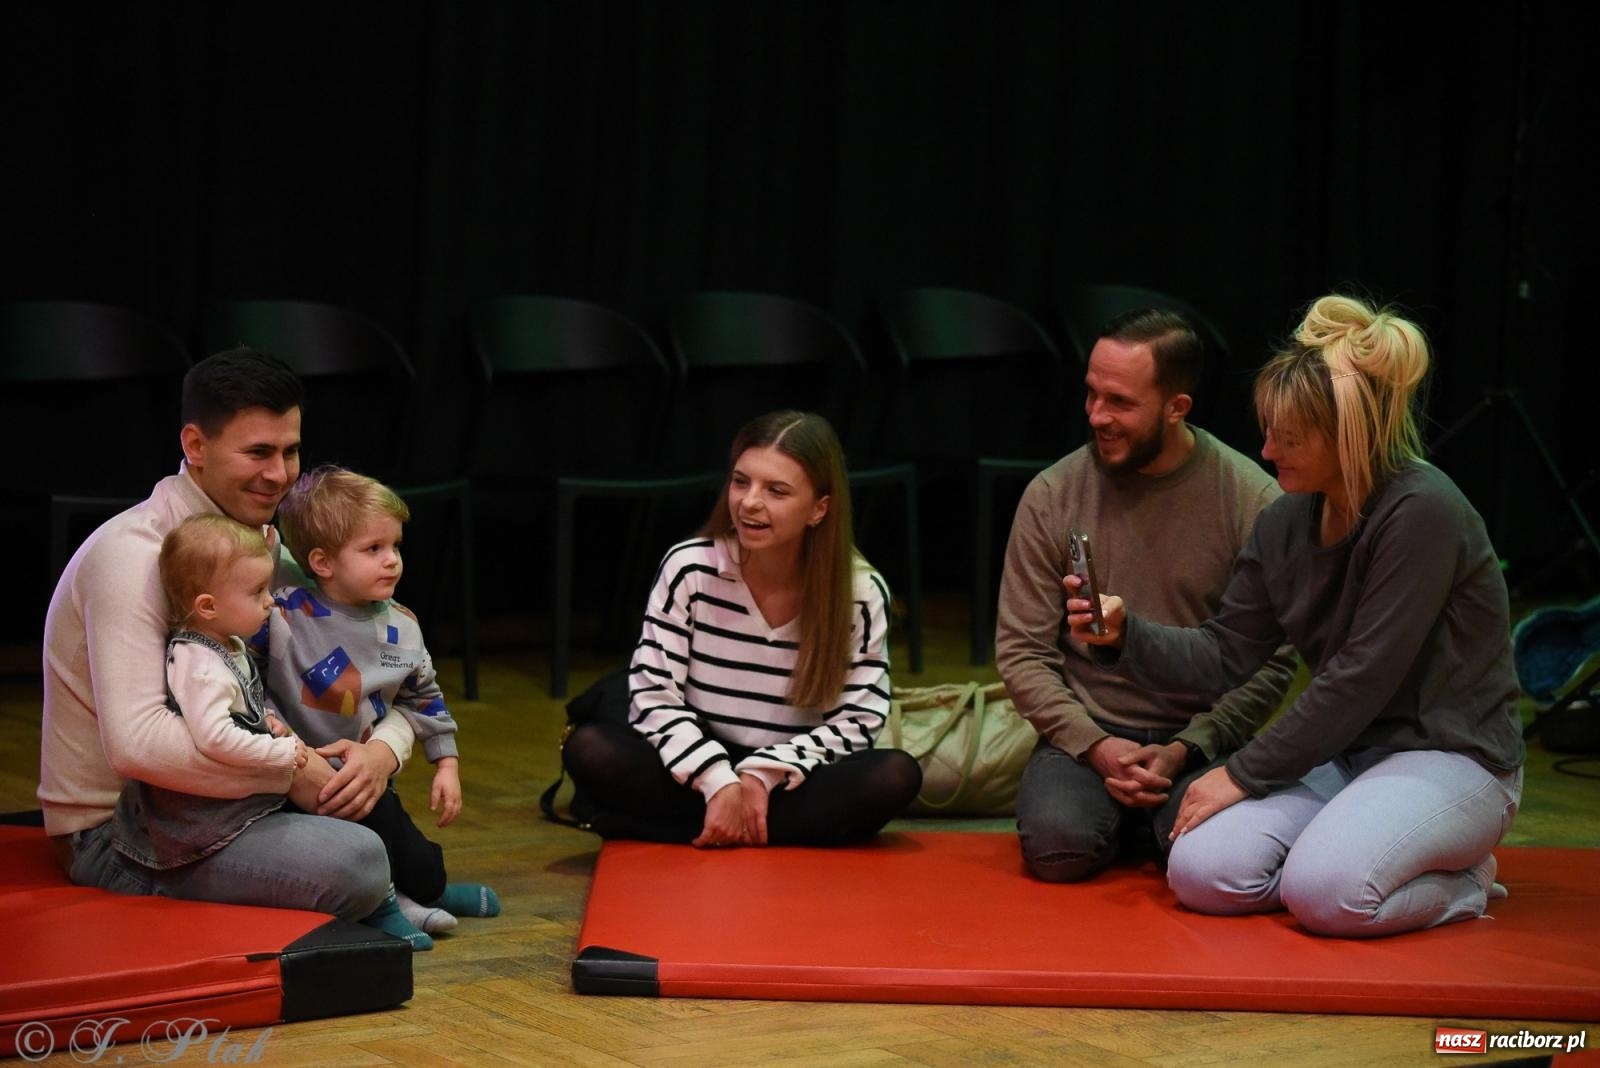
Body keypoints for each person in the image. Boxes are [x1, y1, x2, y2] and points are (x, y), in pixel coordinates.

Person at [1069, 294, 1525, 937]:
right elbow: (1226, 653)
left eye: (1287, 436)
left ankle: (1467, 879)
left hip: (1456, 758)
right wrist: (1125, 636)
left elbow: (1360, 678)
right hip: (1350, 753)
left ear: (1347, 435)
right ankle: (1360, 856)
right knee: (1201, 872)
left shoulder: (1423, 510)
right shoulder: (1287, 519)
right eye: (1268, 429)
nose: (1266, 448)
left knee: (1327, 895)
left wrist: (1240, 774)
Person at [40, 347, 391, 921]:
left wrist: (381, 752)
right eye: (257, 452)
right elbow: (137, 743)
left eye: (290, 451)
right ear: (195, 446)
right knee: (358, 862)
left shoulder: (262, 541)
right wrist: (293, 768)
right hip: (122, 831)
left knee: (366, 794)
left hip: (230, 797)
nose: (278, 475)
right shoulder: (132, 553)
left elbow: (382, 659)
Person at [996, 308, 1297, 882]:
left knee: (1206, 858)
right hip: (1088, 735)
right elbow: (1021, 650)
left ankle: (1149, 820)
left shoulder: (1251, 499)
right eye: (1091, 395)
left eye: (1121, 403)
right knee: (1059, 848)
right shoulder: (1053, 493)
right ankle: (1118, 814)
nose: (1097, 416)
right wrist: (1094, 745)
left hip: (1202, 737)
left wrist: (1190, 746)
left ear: (1177, 408)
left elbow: (1274, 660)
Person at [562, 410, 921, 846]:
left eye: (777, 491)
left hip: (790, 773)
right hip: (698, 761)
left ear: (819, 509)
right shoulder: (689, 568)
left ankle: (686, 828)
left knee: (895, 775)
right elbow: (654, 694)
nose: (750, 502)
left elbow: (859, 721)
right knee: (590, 749)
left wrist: (761, 774)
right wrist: (718, 780)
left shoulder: (859, 591)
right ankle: (753, 825)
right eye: (741, 482)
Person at [266, 465, 500, 934]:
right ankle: (391, 907)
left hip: (366, 773)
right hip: (295, 781)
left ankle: (429, 891)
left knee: (417, 858)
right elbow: (243, 675)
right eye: (373, 549)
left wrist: (447, 764)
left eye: (394, 546)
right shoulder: (285, 614)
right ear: (322, 562)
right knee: (359, 852)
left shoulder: (402, 627)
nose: (392, 560)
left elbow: (424, 697)